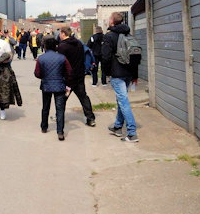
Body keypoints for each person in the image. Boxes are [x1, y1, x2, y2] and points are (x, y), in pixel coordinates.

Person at [101, 12, 140, 142]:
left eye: (108, 18)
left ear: (112, 21)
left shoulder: (109, 36)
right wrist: (135, 75)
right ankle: (117, 126)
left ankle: (131, 133)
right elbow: (135, 55)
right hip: (128, 73)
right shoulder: (128, 34)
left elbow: (105, 57)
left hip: (117, 74)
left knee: (123, 102)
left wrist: (107, 73)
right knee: (120, 100)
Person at [57, 27, 96, 127]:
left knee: (62, 98)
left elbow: (61, 63)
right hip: (79, 75)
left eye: (60, 33)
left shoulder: (62, 46)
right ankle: (91, 119)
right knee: (83, 97)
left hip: (68, 78)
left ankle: (59, 117)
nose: (59, 35)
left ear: (63, 34)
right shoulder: (79, 43)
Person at [34, 37, 72, 141]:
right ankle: (60, 132)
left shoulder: (41, 58)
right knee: (60, 109)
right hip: (60, 86)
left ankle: (44, 127)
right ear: (56, 46)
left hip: (46, 85)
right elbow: (69, 72)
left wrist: (45, 77)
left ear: (45, 46)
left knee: (45, 107)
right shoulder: (62, 58)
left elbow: (37, 74)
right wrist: (66, 84)